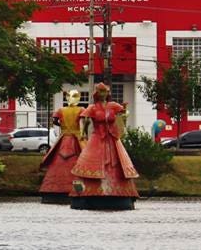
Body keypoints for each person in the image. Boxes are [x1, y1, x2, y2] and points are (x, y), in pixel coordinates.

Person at [70, 82, 139, 210]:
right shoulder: (93, 108)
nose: (103, 94)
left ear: (108, 93)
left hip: (112, 138)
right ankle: (87, 192)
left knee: (118, 164)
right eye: (101, 92)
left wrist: (124, 119)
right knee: (91, 163)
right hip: (97, 138)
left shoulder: (113, 106)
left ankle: (121, 193)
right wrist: (83, 133)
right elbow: (85, 120)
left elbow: (123, 112)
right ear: (97, 93)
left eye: (105, 92)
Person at [39, 90, 85, 203]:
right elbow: (84, 122)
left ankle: (52, 186)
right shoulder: (81, 109)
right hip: (76, 136)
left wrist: (62, 126)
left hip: (64, 137)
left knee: (57, 160)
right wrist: (83, 134)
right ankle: (80, 188)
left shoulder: (61, 110)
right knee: (85, 157)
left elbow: (54, 121)